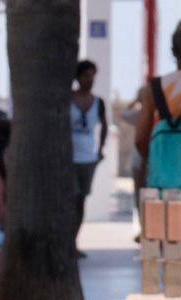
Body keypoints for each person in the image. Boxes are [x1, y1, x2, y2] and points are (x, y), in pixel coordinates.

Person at [135, 20, 181, 191]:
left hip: (161, 180)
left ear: (173, 52)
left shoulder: (154, 88)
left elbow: (140, 139)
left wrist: (155, 159)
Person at [71, 59, 108, 256]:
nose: (90, 79)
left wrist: (100, 149)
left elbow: (104, 126)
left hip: (88, 158)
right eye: (86, 75)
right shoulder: (68, 100)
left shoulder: (98, 103)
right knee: (71, 198)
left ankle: (74, 240)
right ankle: (67, 241)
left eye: (92, 75)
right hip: (70, 158)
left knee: (80, 201)